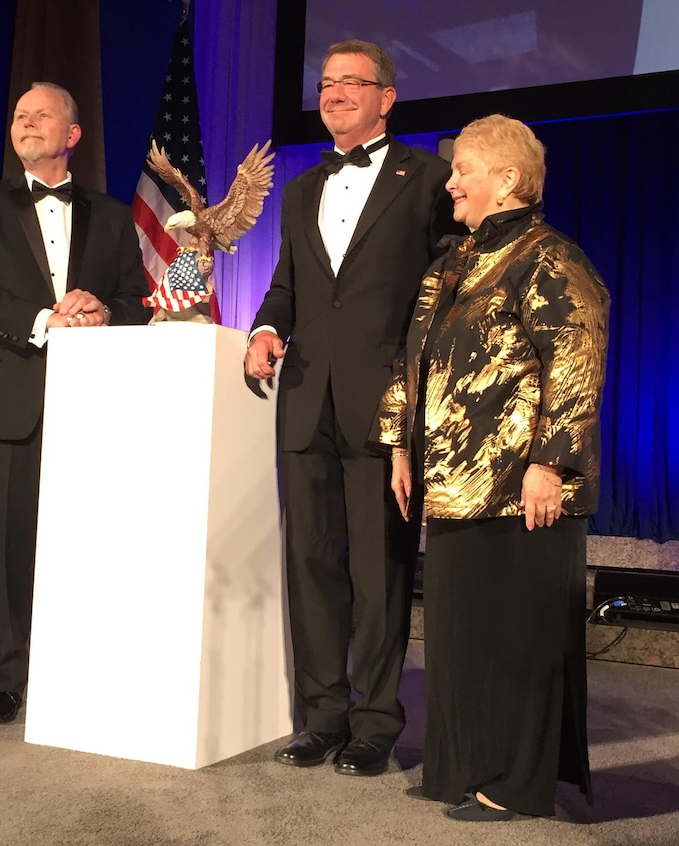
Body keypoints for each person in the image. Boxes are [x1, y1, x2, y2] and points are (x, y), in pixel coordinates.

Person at [373, 114, 609, 821]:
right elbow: (409, 358)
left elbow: (576, 363)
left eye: (463, 170)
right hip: (451, 487)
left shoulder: (550, 258)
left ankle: (509, 783)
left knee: (515, 641)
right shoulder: (451, 264)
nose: (450, 183)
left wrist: (551, 464)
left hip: (520, 491)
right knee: (458, 638)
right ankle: (459, 767)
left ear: (506, 179)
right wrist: (398, 445)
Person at [244, 40, 463, 775]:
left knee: (379, 570)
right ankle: (321, 717)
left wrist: (419, 389)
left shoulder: (430, 179)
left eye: (350, 83)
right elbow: (287, 287)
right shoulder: (302, 189)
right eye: (326, 83)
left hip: (385, 407)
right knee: (310, 565)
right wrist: (266, 330)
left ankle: (375, 724)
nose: (333, 93)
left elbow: (444, 298)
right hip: (305, 399)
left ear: (387, 96)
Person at [0, 81, 150, 724]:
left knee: (86, 543)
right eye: (19, 115)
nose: (27, 123)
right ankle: (7, 682)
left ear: (73, 135)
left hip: (92, 407)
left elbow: (133, 302)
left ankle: (79, 671)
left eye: (42, 116)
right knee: (5, 551)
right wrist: (44, 319)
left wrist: (99, 313)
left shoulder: (114, 216)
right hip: (5, 397)